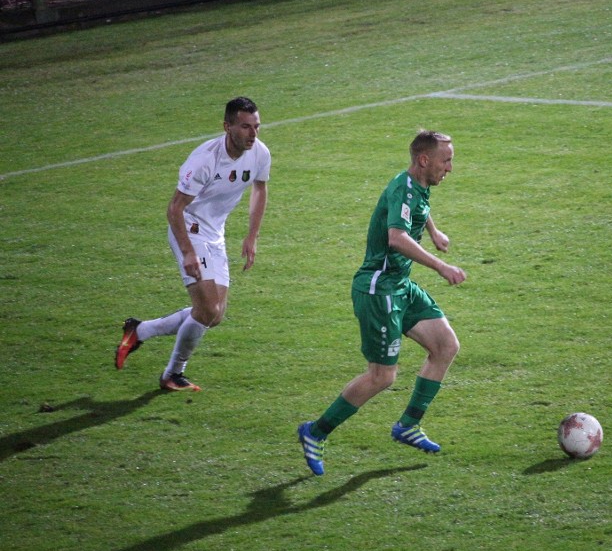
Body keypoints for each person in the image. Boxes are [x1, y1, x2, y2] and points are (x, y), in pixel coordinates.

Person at [298, 130, 466, 476]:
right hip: (379, 289)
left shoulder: (416, 183)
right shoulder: (403, 187)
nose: (450, 168)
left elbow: (417, 205)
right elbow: (397, 237)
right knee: (382, 376)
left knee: (446, 344)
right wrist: (440, 266)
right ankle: (315, 432)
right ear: (424, 160)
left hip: (400, 285)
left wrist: (433, 231)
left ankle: (407, 426)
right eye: (445, 161)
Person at [114, 96, 271, 392]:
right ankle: (173, 373)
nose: (253, 134)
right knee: (208, 308)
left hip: (214, 232)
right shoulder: (204, 160)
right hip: (188, 227)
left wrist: (252, 236)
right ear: (227, 127)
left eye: (256, 126)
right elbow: (175, 208)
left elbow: (260, 189)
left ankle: (140, 330)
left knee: (214, 315)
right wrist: (188, 252)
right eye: (245, 127)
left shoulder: (260, 153)